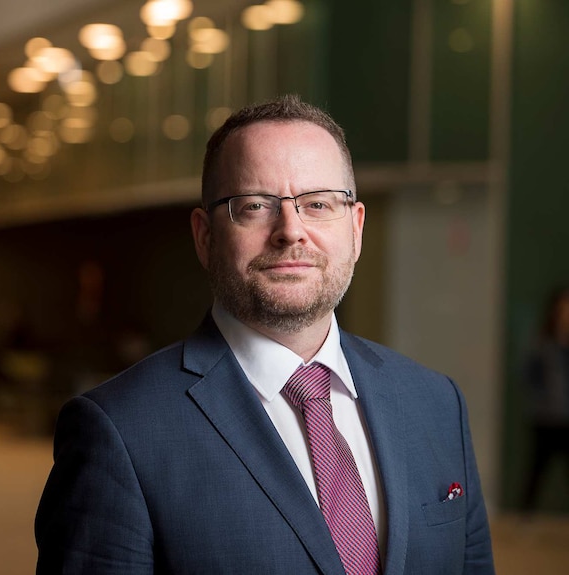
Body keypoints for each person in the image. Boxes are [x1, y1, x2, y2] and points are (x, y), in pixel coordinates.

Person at [35, 95, 495, 574]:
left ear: (356, 229)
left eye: (318, 204)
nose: (291, 231)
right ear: (205, 236)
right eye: (255, 206)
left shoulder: (435, 403)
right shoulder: (119, 431)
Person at [521, 286, 569, 512]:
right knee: (537, 471)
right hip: (547, 417)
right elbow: (529, 375)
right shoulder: (543, 344)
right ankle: (525, 515)